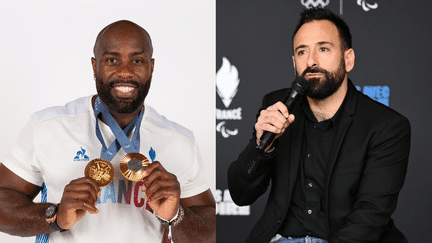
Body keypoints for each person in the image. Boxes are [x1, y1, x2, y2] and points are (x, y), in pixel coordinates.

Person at [0, 20, 215, 243]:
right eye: (112, 60)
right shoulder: (47, 127)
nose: (125, 72)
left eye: (137, 60)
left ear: (151, 67)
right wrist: (55, 216)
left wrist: (176, 215)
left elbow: (211, 230)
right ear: (94, 67)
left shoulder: (179, 141)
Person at [228, 7, 410, 243]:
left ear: (348, 58)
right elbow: (240, 195)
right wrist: (262, 146)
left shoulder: (387, 126)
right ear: (294, 63)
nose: (311, 61)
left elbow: (370, 218)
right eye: (302, 52)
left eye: (323, 48)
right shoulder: (277, 106)